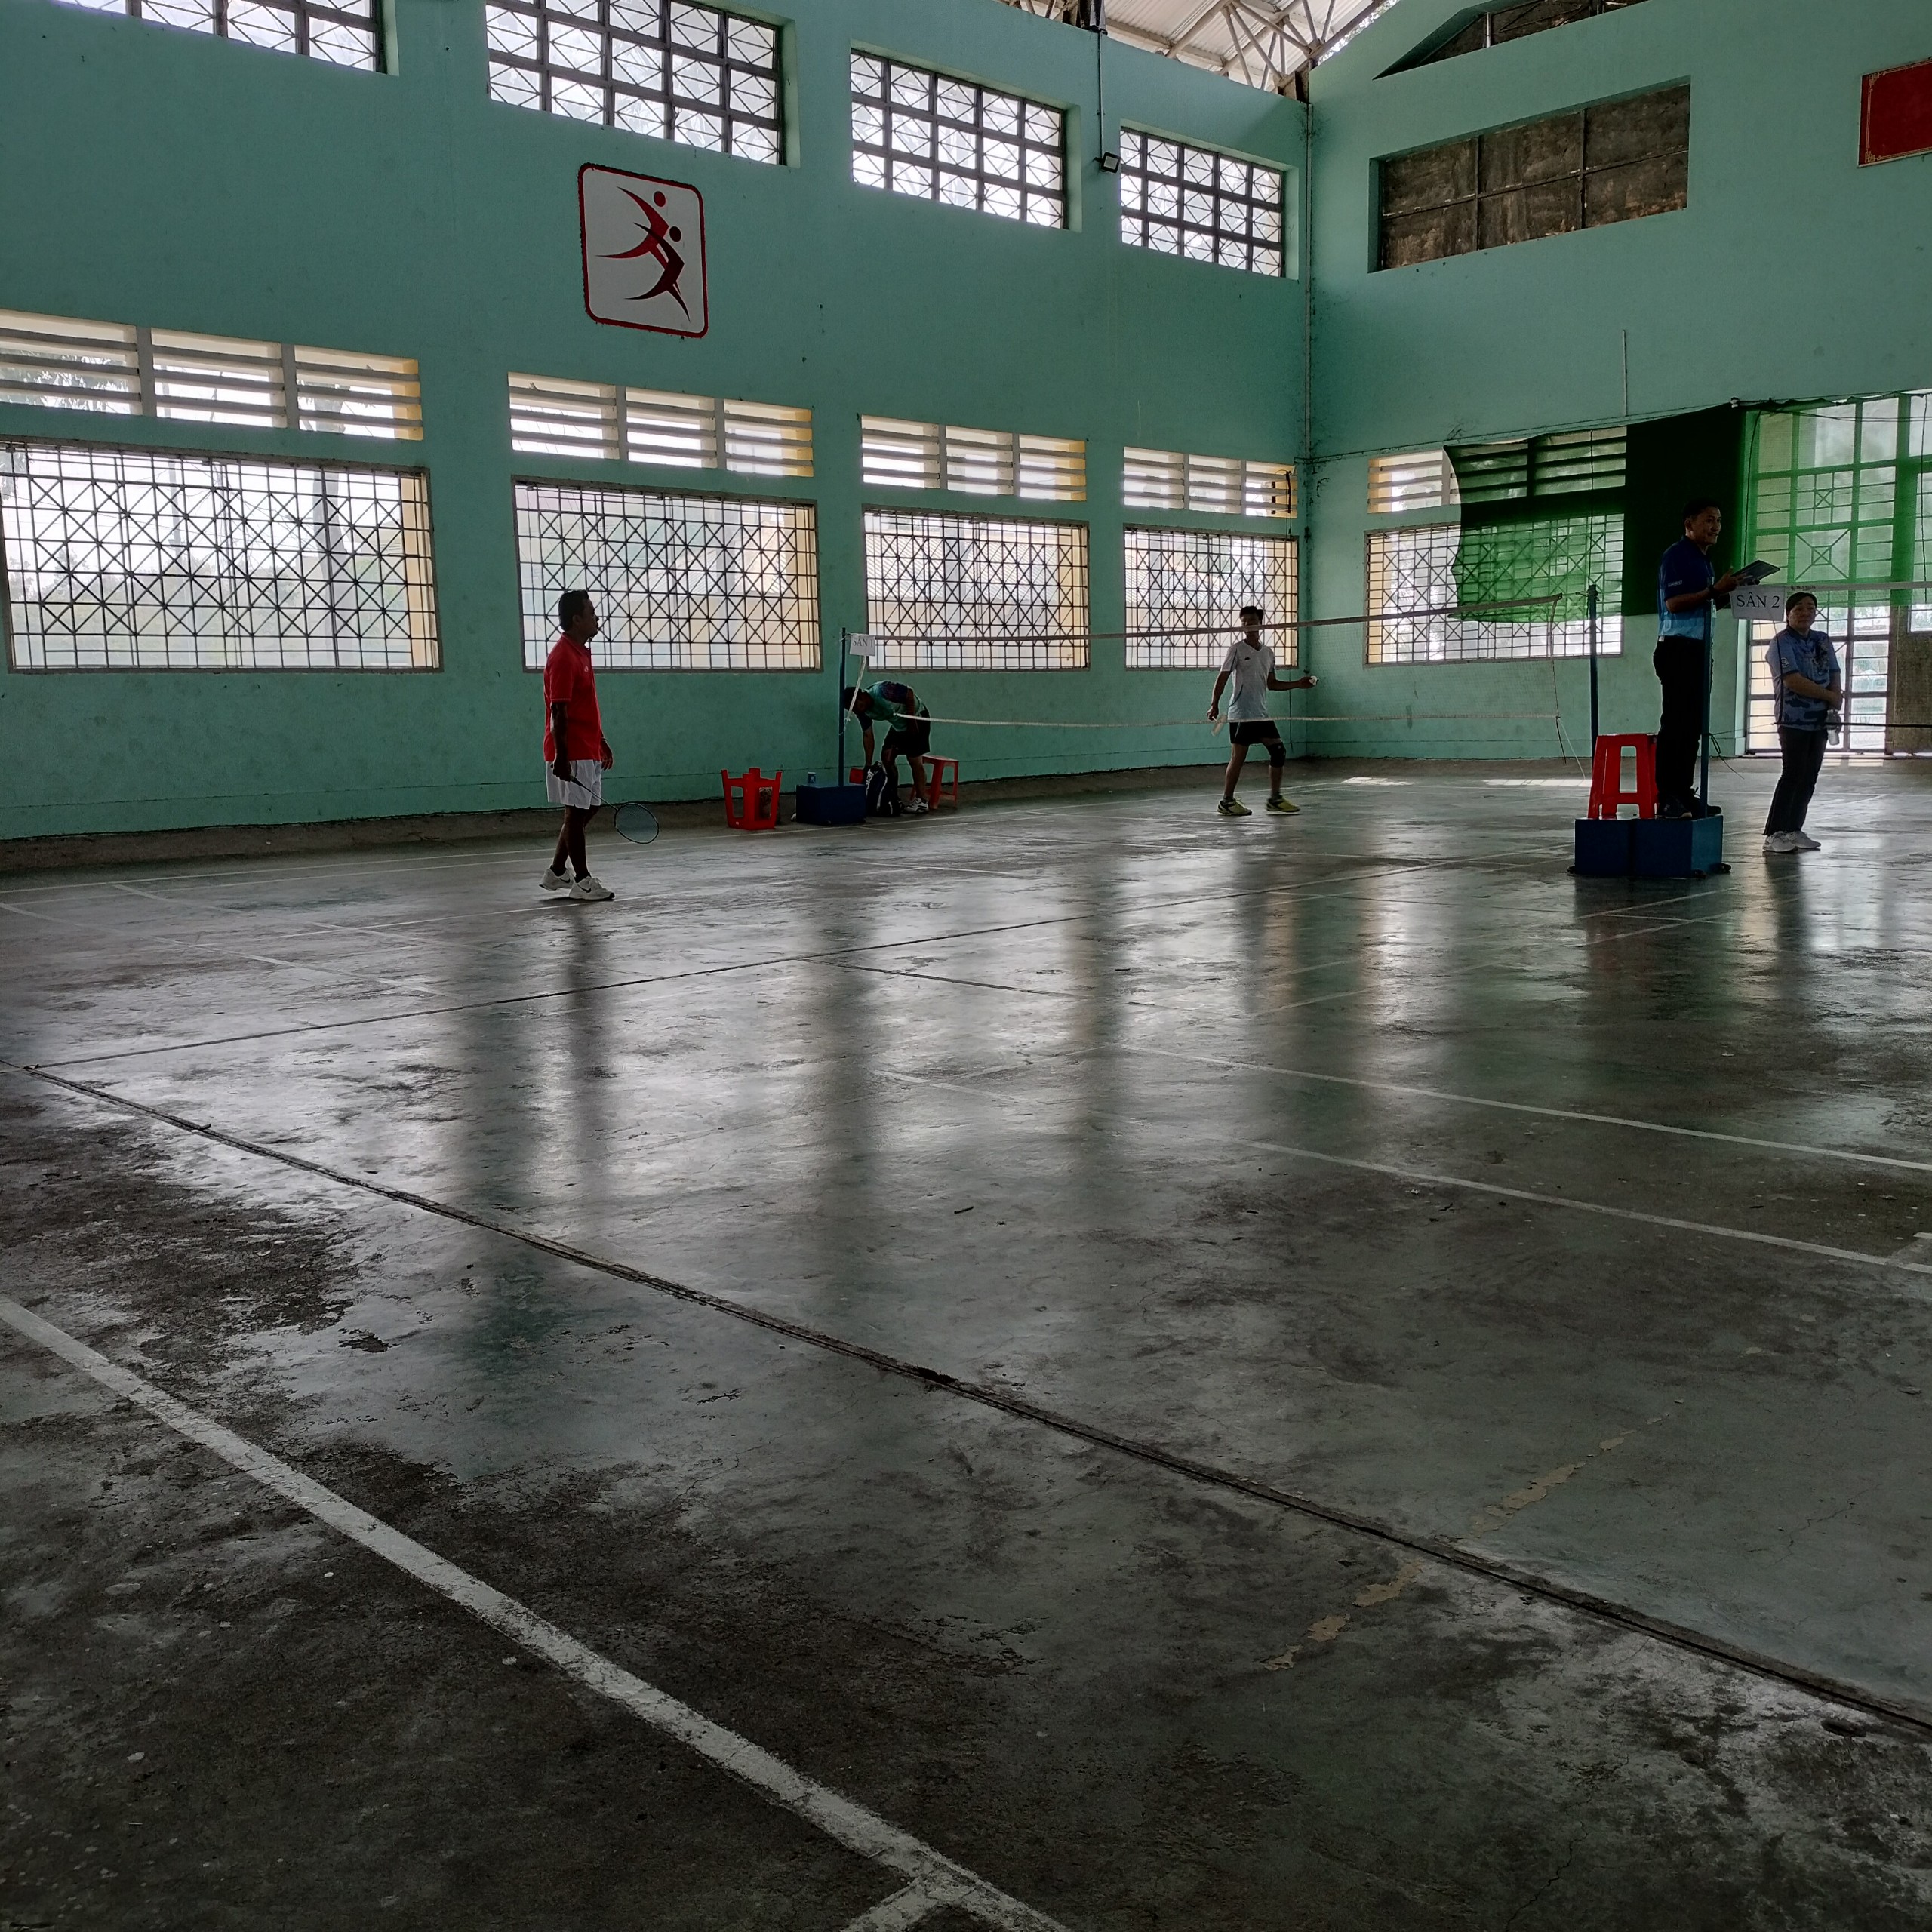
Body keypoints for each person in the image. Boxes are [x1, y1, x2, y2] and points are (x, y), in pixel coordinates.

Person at [1655, 500, 1745, 819]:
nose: (1716, 526)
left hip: (1699, 650)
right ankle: (1667, 797)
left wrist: (1731, 591)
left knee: (1693, 727)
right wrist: (1714, 590)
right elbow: (1674, 603)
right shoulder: (1677, 556)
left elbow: (1707, 603)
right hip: (1677, 649)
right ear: (1689, 524)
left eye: (1719, 520)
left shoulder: (1704, 561)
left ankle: (1684, 793)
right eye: (1709, 520)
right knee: (1676, 725)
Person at [540, 589, 616, 901]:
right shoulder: (562, 657)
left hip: (587, 746)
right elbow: (558, 711)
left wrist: (601, 740)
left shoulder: (581, 653)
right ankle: (583, 881)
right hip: (571, 751)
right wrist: (562, 756)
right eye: (591, 613)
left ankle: (558, 870)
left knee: (589, 807)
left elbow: (585, 705)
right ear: (576, 619)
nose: (597, 618)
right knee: (575, 813)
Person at [1207, 605, 1316, 818]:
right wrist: (1214, 704)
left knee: (1278, 751)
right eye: (1244, 622)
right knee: (1238, 758)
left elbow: (1271, 684)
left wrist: (1297, 684)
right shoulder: (1236, 649)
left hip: (1261, 713)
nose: (1247, 625)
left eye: (1251, 621)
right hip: (1241, 714)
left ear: (1260, 624)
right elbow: (1223, 677)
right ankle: (1227, 801)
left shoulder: (1268, 653)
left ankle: (1275, 799)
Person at [1762, 590, 1841, 856]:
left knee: (1809, 776)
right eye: (1799, 609)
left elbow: (1834, 672)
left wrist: (1834, 702)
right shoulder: (1781, 643)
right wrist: (1829, 696)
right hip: (1793, 719)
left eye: (1810, 608)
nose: (1805, 613)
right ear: (1788, 614)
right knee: (1793, 773)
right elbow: (1793, 680)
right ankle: (1774, 833)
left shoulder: (1822, 640)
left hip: (1820, 720)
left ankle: (1794, 829)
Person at [844, 679, 932, 817]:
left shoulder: (882, 691)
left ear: (861, 696)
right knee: (887, 757)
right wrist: (868, 765)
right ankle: (893, 797)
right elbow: (868, 735)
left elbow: (909, 693)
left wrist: (912, 720)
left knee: (914, 759)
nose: (856, 712)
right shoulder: (862, 712)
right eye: (853, 710)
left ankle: (922, 801)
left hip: (918, 718)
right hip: (899, 726)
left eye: (856, 707)